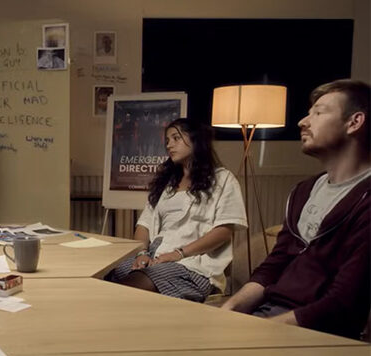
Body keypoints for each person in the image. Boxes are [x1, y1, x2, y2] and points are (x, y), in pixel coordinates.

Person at [222, 79, 370, 339]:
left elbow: (343, 302)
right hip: (269, 315)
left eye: (318, 112)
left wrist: (262, 330)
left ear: (354, 122)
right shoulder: (303, 191)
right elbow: (273, 266)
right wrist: (228, 310)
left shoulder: (365, 199)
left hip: (319, 333)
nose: (303, 121)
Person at [105, 118, 247, 302]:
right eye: (167, 141)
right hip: (155, 256)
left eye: (176, 138)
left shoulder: (222, 180)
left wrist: (178, 254)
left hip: (193, 263)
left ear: (196, 139)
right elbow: (144, 225)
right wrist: (141, 254)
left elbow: (224, 231)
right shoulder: (167, 183)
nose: (169, 145)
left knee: (132, 285)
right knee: (108, 273)